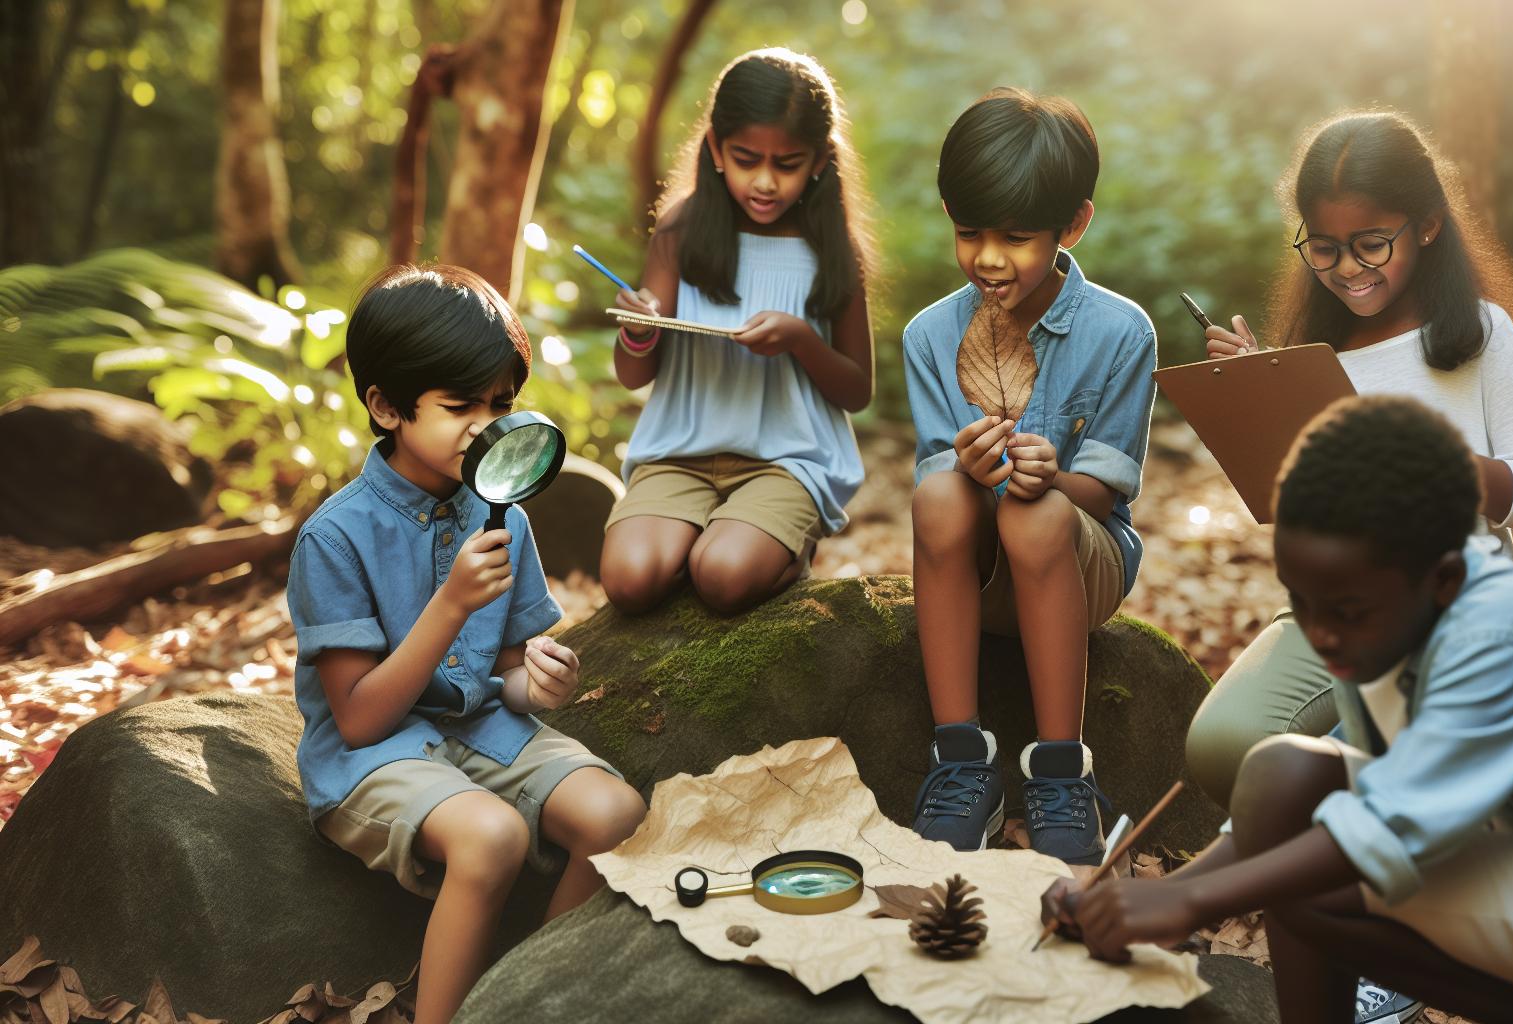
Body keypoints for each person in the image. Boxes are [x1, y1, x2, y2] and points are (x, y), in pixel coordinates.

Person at [1045, 395, 1513, 1024]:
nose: (1320, 635)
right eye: (1302, 601)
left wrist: (1190, 900)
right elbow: (1322, 797)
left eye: (1343, 611)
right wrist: (1167, 902)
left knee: (1320, 888)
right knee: (1282, 773)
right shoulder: (1386, 620)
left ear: (1444, 578)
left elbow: (1385, 833)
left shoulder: (1500, 634)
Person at [287, 265, 646, 1024]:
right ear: (386, 406)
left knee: (616, 813)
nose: (486, 427)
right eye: (459, 406)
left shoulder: (503, 510)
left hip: (480, 726)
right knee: (492, 836)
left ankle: (522, 1000)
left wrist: (538, 683)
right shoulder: (335, 537)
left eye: (501, 405)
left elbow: (509, 672)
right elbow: (357, 720)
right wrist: (450, 607)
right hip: (371, 755)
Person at [1187, 111, 1513, 810]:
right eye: (1325, 249)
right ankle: (1378, 794)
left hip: (1450, 610)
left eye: (1370, 244)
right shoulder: (1316, 356)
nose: (1347, 270)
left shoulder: (1479, 335)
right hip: (1333, 605)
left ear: (1426, 224)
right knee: (1221, 746)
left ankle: (1405, 802)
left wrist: (1438, 464)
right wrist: (1260, 393)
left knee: (1325, 768)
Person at [902, 88, 1156, 865]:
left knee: (1035, 512)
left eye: (1016, 237)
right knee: (943, 491)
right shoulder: (931, 335)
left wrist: (1044, 477)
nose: (988, 258)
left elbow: (1103, 493)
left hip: (1077, 561)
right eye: (968, 232)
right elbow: (941, 494)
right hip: (980, 575)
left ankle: (1058, 771)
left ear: (1072, 225)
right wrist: (973, 472)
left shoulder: (1121, 332)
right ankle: (960, 762)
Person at [600, 47, 877, 617]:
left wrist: (801, 339)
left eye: (788, 164)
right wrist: (639, 331)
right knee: (628, 581)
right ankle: (710, 538)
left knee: (721, 578)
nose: (766, 182)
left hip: (786, 461)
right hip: (679, 455)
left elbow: (857, 390)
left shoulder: (831, 249)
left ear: (821, 161)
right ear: (716, 151)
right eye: (747, 159)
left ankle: (777, 546)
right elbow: (633, 375)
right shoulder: (681, 229)